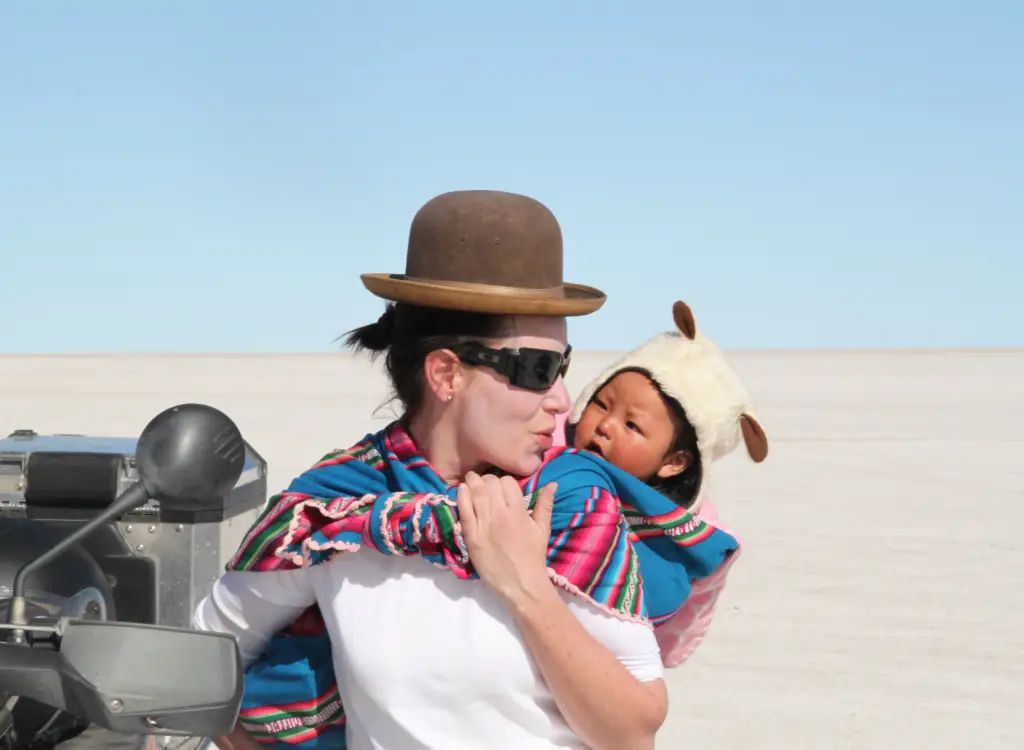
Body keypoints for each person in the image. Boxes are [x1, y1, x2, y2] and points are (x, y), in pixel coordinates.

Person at [192, 190, 740, 750]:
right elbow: (206, 662)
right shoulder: (332, 510)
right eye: (537, 369)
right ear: (447, 375)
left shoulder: (571, 500)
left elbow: (632, 733)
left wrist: (525, 587)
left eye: (564, 367)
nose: (562, 400)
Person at [560, 297, 768, 664]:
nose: (605, 426)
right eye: (602, 404)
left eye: (632, 425)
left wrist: (663, 653)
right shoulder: (544, 451)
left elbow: (687, 614)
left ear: (674, 462)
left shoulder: (688, 538)